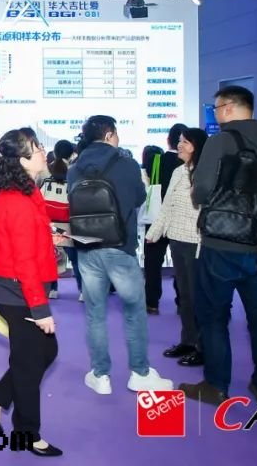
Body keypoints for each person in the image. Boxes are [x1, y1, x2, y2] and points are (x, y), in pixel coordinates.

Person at [182, 86, 257, 406]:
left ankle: (216, 385)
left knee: (214, 316)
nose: (215, 115)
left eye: (216, 109)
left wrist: (197, 193)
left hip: (223, 242)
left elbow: (203, 189)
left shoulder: (221, 141)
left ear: (228, 108)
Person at [0, 129, 64, 457]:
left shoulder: (20, 192)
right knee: (30, 361)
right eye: (37, 148)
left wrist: (47, 238)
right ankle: (26, 433)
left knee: (42, 353)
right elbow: (23, 261)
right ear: (23, 160)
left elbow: (20, 242)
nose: (43, 152)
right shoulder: (18, 200)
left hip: (12, 286)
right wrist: (40, 309)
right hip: (18, 291)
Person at [68, 115, 172, 395]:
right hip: (121, 246)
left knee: (95, 314)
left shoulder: (74, 168)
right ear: (109, 135)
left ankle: (100, 375)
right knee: (134, 311)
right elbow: (139, 198)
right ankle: (140, 373)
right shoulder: (126, 164)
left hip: (87, 247)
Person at [146, 128, 208, 367]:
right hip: (177, 240)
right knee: (185, 296)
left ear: (197, 146)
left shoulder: (206, 173)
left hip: (197, 242)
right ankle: (188, 341)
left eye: (185, 142)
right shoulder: (178, 171)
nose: (179, 145)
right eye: (180, 141)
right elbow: (167, 206)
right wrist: (154, 232)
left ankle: (203, 347)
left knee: (197, 296)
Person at [144, 124, 188, 315]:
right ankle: (182, 301)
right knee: (181, 264)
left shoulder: (155, 160)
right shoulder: (189, 164)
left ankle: (151, 302)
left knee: (153, 263)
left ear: (168, 140)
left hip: (156, 216)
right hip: (180, 218)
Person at [46, 140, 81, 300]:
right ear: (72, 153)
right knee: (75, 259)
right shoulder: (75, 171)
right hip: (69, 222)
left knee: (50, 257)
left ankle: (52, 289)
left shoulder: (45, 171)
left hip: (49, 223)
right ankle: (82, 290)